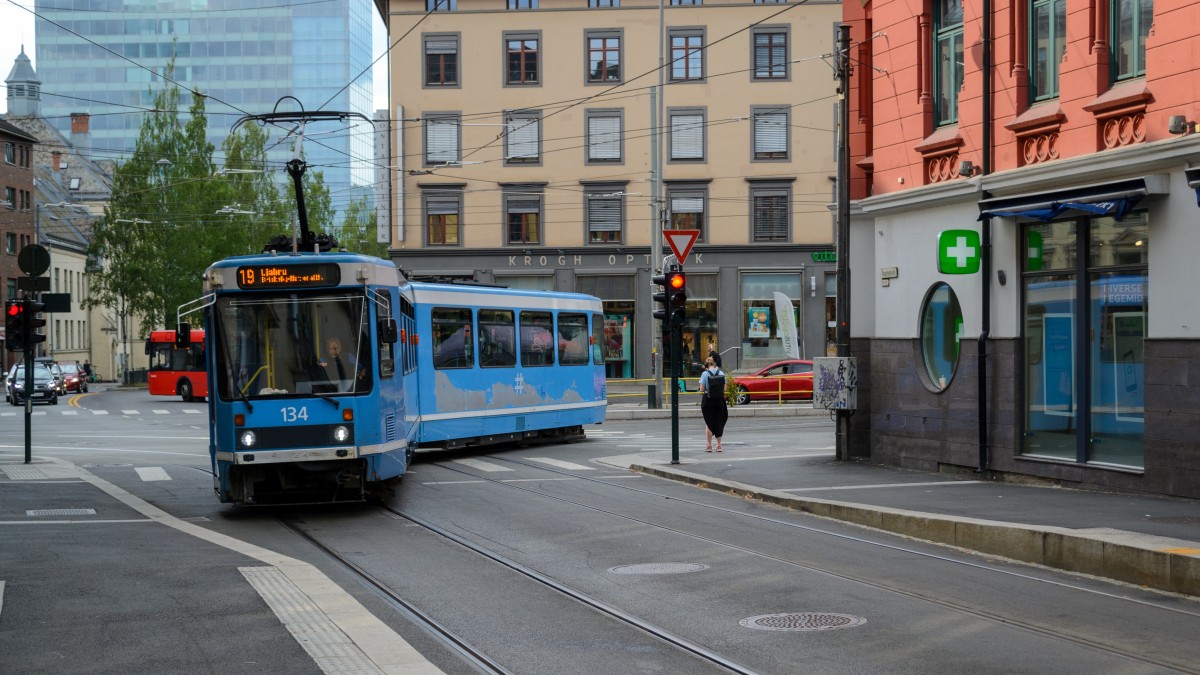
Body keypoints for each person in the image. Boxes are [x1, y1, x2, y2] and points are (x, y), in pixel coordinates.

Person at [698, 357, 728, 452]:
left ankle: (709, 445)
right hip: (719, 400)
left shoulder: (705, 374)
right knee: (719, 421)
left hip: (708, 400)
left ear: (706, 366)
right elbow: (724, 389)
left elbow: (702, 390)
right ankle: (719, 445)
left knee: (709, 422)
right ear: (714, 364)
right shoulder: (721, 373)